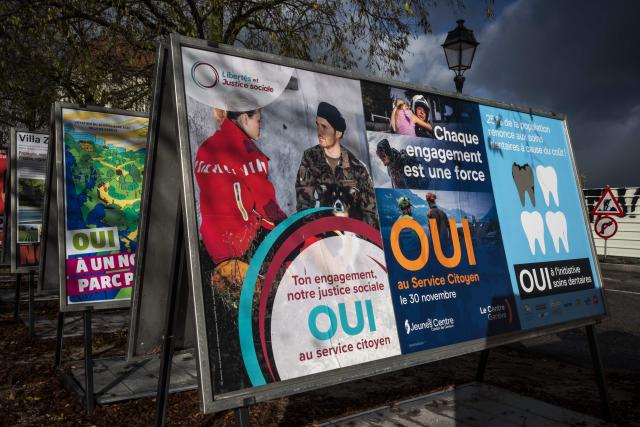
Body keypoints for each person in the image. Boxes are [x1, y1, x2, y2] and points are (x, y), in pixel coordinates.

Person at [195, 108, 286, 296]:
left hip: (213, 240)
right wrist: (290, 228)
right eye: (258, 120)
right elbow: (267, 206)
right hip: (240, 242)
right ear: (245, 119)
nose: (261, 126)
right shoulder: (247, 153)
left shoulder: (207, 146)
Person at [296, 101, 378, 228]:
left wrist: (360, 239)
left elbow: (370, 210)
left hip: (353, 233)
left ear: (338, 133)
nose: (319, 132)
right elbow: (304, 204)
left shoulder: (357, 166)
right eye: (317, 125)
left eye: (324, 127)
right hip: (325, 230)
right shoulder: (311, 157)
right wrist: (314, 236)